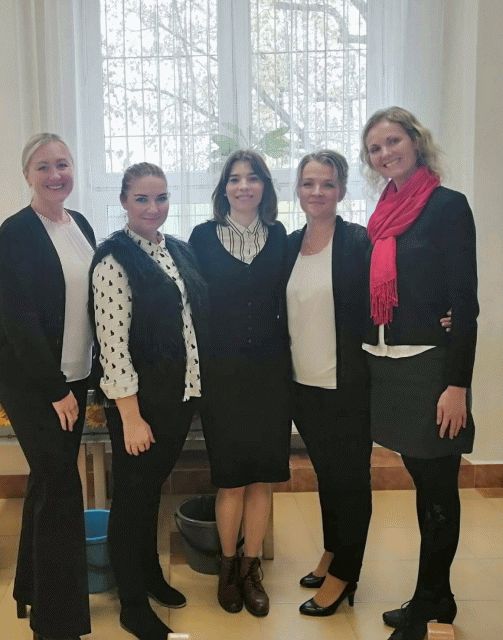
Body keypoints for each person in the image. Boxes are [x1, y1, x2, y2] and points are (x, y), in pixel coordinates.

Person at [360, 107, 478, 640]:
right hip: (391, 364)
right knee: (422, 483)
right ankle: (440, 595)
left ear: (415, 140)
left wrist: (457, 384)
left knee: (437, 487)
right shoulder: (383, 213)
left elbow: (464, 301)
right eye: (375, 148)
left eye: (393, 141)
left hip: (433, 368)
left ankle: (428, 603)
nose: (385, 153)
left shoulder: (447, 206)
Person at [89, 162, 207, 640]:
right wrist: (132, 417)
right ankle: (132, 605)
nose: (153, 208)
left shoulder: (175, 249)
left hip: (177, 397)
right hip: (138, 407)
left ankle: (150, 574)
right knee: (131, 501)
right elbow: (113, 348)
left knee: (151, 492)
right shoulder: (113, 261)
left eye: (161, 198)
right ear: (124, 201)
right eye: (142, 198)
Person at [0, 133, 96, 640]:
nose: (56, 174)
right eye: (43, 166)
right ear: (27, 175)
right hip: (36, 384)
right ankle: (57, 625)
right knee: (61, 491)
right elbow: (19, 322)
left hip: (75, 378)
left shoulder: (79, 224)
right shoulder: (14, 234)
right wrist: (56, 388)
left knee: (45, 483)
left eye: (63, 164)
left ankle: (30, 589)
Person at [189, 150, 291, 617]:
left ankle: (252, 568)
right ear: (224, 188)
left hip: (271, 376)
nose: (243, 186)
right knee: (231, 478)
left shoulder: (281, 237)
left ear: (265, 187)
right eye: (234, 179)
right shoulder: (202, 237)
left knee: (263, 477)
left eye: (252, 178)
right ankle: (227, 567)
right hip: (222, 377)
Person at [285, 150, 372, 617]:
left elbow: (391, 294)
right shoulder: (290, 245)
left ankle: (344, 575)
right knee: (327, 478)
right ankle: (333, 551)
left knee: (350, 481)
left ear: (341, 190)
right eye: (308, 183)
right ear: (298, 189)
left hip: (347, 385)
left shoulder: (359, 241)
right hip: (303, 385)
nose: (317, 192)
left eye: (327, 184)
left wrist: (441, 315)